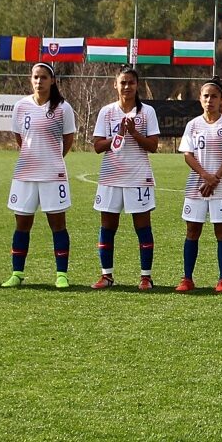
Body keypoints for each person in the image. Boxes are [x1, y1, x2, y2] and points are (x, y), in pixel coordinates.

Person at [3, 62, 77, 289]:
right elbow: (19, 138)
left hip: (53, 175)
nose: (39, 81)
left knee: (58, 225)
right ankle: (17, 273)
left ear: (52, 80)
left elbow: (68, 140)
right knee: (22, 224)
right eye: (35, 77)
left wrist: (52, 158)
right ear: (31, 79)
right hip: (25, 174)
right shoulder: (21, 106)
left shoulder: (63, 108)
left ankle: (61, 274)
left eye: (44, 77)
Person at [92, 66, 160, 290]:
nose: (127, 87)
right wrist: (117, 135)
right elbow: (97, 146)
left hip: (138, 179)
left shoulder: (147, 112)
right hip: (111, 178)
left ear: (137, 85)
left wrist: (133, 133)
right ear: (115, 84)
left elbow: (153, 146)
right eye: (123, 82)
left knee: (142, 227)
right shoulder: (107, 111)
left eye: (131, 82)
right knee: (108, 227)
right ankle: (107, 275)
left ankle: (146, 277)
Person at [178, 79, 222, 293]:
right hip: (196, 184)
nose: (209, 100)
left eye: (214, 96)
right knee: (192, 230)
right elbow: (187, 154)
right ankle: (187, 278)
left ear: (221, 99)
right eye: (206, 96)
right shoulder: (193, 125)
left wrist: (216, 178)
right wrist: (205, 176)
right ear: (200, 99)